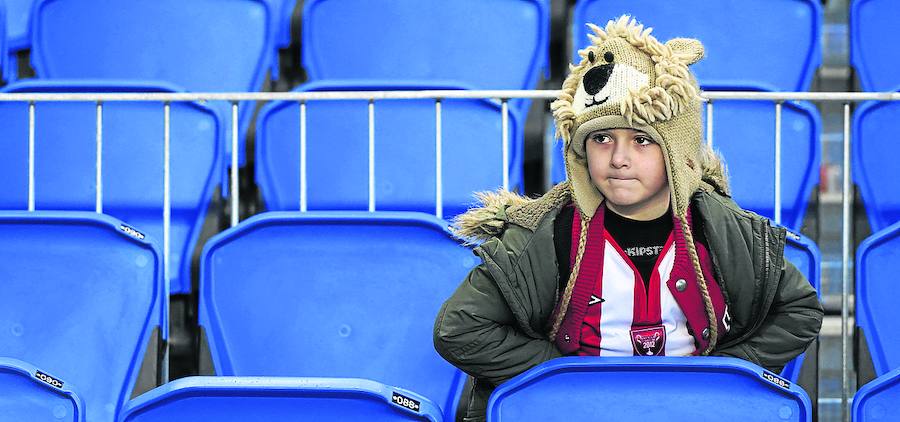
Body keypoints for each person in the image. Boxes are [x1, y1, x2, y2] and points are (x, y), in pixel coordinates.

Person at [433, 15, 824, 421]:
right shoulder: (543, 231)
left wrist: (724, 373)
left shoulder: (723, 227)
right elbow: (459, 328)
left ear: (676, 149)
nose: (619, 159)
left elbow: (800, 311)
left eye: (641, 140)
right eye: (601, 139)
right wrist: (557, 374)